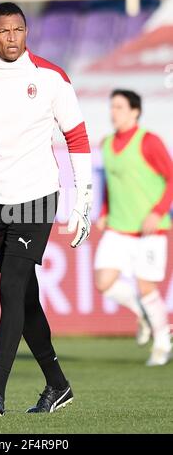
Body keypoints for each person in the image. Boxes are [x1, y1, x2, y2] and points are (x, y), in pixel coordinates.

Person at [0, 2, 92, 415]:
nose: (12, 37)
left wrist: (82, 201)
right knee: (24, 300)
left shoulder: (51, 78)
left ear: (27, 32)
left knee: (10, 288)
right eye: (4, 31)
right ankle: (58, 385)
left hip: (38, 197)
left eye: (19, 30)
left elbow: (77, 138)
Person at [95, 89, 173, 366]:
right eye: (111, 106)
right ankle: (143, 314)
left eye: (119, 107)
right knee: (103, 282)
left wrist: (158, 212)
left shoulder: (149, 141)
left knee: (146, 285)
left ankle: (163, 343)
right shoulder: (106, 144)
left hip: (150, 230)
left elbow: (171, 178)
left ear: (135, 111)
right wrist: (104, 212)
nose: (113, 112)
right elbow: (110, 184)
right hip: (118, 227)